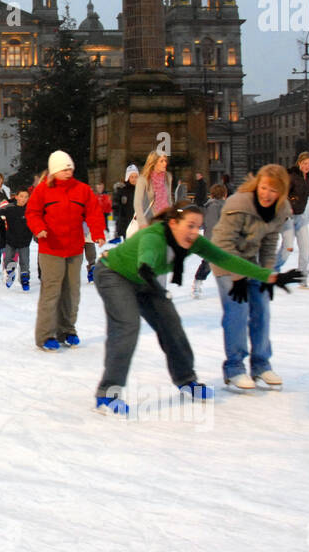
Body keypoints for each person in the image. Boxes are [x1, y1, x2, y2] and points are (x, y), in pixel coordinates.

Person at [93, 204, 295, 414]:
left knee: (171, 325)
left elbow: (226, 259)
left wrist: (269, 276)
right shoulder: (154, 235)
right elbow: (148, 250)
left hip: (145, 280)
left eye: (198, 227)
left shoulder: (193, 242)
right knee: (127, 326)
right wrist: (145, 265)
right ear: (173, 223)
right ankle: (107, 395)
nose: (194, 232)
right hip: (113, 274)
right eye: (189, 226)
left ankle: (186, 380)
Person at [211, 164, 294, 391]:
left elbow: (269, 242)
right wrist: (237, 277)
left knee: (262, 309)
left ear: (281, 192)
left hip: (250, 262)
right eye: (264, 188)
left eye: (273, 190)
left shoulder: (281, 209)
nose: (267, 194)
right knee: (238, 310)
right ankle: (235, 368)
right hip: (224, 260)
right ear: (258, 185)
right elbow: (224, 243)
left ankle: (261, 364)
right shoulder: (238, 204)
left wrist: (267, 273)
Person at [26, 151, 106, 351]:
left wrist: (98, 233)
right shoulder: (43, 190)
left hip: (74, 248)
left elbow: (94, 212)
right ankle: (45, 335)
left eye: (70, 168)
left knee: (72, 292)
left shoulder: (82, 190)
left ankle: (67, 330)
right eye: (64, 169)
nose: (68, 171)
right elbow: (32, 212)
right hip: (51, 248)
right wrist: (39, 228)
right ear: (54, 171)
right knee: (51, 292)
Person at [276, 152, 309, 287]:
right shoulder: (291, 176)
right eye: (305, 163)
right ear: (299, 163)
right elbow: (282, 194)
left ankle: (304, 278)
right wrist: (287, 206)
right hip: (288, 217)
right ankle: (271, 270)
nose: (307, 166)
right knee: (288, 247)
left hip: (301, 217)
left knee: (306, 248)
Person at [131, 151, 185, 234]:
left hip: (166, 219)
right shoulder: (143, 179)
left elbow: (169, 199)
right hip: (150, 220)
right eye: (161, 161)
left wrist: (173, 217)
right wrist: (142, 223)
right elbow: (137, 203)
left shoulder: (168, 177)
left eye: (165, 161)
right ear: (154, 163)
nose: (165, 163)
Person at [192, 183, 227, 298]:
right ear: (224, 194)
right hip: (214, 241)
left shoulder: (224, 206)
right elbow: (211, 224)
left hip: (223, 240)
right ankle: (197, 283)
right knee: (208, 264)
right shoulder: (213, 207)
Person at [0, 188, 33, 291]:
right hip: (11, 240)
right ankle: (10, 273)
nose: (23, 199)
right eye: (21, 196)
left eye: (26, 197)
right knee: (8, 259)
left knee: (24, 262)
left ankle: (25, 280)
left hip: (24, 241)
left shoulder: (31, 210)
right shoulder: (10, 209)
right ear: (16, 197)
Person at [110, 165, 138, 243]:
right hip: (126, 222)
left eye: (136, 177)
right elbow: (116, 205)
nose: (134, 179)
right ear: (127, 177)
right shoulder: (122, 190)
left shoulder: (140, 189)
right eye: (132, 177)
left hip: (138, 221)